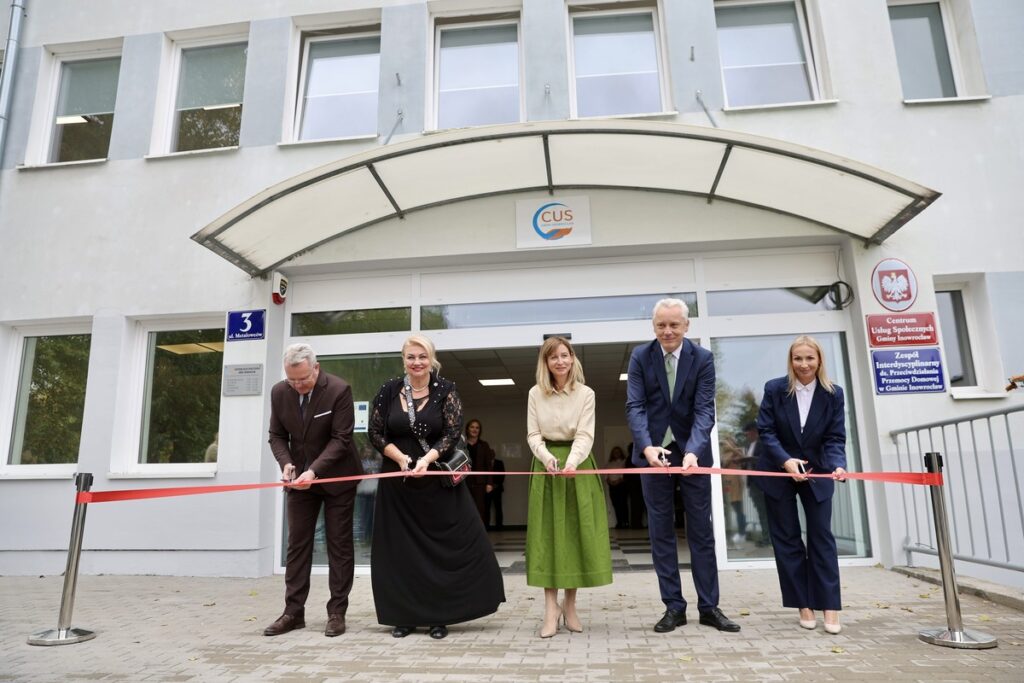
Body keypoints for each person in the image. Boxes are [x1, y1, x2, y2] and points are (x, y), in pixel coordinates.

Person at [368, 334, 505, 639]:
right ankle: (403, 616)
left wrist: (426, 460)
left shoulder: (447, 391)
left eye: (422, 357)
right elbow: (375, 433)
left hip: (436, 482)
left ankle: (439, 617)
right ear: (403, 360)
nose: (416, 363)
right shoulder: (389, 390)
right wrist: (401, 458)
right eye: (410, 357)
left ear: (432, 359)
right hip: (398, 484)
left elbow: (453, 433)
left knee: (442, 552)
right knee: (400, 552)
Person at [625, 298, 740, 633]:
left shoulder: (702, 358)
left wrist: (693, 450)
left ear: (686, 326)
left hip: (693, 454)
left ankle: (710, 607)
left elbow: (705, 409)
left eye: (674, 325)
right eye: (661, 325)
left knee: (700, 531)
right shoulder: (640, 357)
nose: (668, 331)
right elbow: (635, 406)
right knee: (660, 531)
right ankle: (674, 607)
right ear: (654, 326)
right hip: (653, 455)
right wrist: (647, 447)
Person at [265, 343, 363, 638]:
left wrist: (314, 470)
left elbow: (341, 438)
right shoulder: (280, 392)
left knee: (339, 545)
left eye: (303, 379)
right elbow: (277, 435)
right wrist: (286, 464)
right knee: (297, 545)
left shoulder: (338, 390)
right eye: (291, 379)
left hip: (337, 479)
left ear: (316, 368)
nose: (297, 386)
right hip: (299, 482)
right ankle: (293, 613)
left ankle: (336, 613)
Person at [755, 335, 848, 635]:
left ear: (819, 360)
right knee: (787, 539)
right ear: (790, 361)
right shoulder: (774, 389)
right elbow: (766, 431)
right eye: (798, 358)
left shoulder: (833, 394)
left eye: (810, 358)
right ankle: (803, 605)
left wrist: (837, 464)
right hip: (779, 470)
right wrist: (785, 461)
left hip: (818, 471)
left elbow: (835, 436)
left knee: (822, 538)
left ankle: (830, 606)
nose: (804, 364)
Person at [526, 336, 612, 638]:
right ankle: (550, 610)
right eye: (553, 357)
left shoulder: (586, 394)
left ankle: (570, 605)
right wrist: (548, 458)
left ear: (573, 358)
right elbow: (533, 435)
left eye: (565, 355)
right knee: (547, 536)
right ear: (545, 363)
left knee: (574, 534)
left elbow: (585, 434)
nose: (560, 361)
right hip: (546, 466)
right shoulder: (535, 393)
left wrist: (572, 462)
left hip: (579, 465)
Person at [742, 422, 771, 546]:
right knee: (761, 511)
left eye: (748, 432)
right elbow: (746, 465)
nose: (747, 435)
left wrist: (750, 459)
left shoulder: (763, 444)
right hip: (752, 483)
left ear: (755, 432)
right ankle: (766, 537)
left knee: (764, 511)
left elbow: (764, 461)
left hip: (762, 483)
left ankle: (767, 539)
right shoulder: (749, 446)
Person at [464, 419, 495, 524]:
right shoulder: (462, 445)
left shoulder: (484, 445)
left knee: (480, 509)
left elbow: (488, 465)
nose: (474, 429)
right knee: (465, 508)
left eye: (477, 427)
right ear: (467, 429)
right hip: (464, 482)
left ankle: (479, 535)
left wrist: (489, 483)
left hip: (480, 483)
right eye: (472, 427)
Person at [605, 446, 630, 529]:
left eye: (618, 452)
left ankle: (625, 522)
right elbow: (606, 476)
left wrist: (618, 481)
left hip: (621, 485)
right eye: (615, 452)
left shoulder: (624, 462)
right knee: (615, 505)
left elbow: (624, 475)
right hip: (612, 486)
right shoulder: (609, 464)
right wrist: (610, 482)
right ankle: (619, 522)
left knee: (623, 504)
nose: (616, 453)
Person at [485, 456, 505, 530]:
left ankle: (499, 526)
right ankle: (486, 525)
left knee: (498, 508)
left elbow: (502, 475)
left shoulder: (499, 463)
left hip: (497, 489)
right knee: (486, 508)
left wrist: (496, 484)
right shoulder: (486, 462)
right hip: (487, 489)